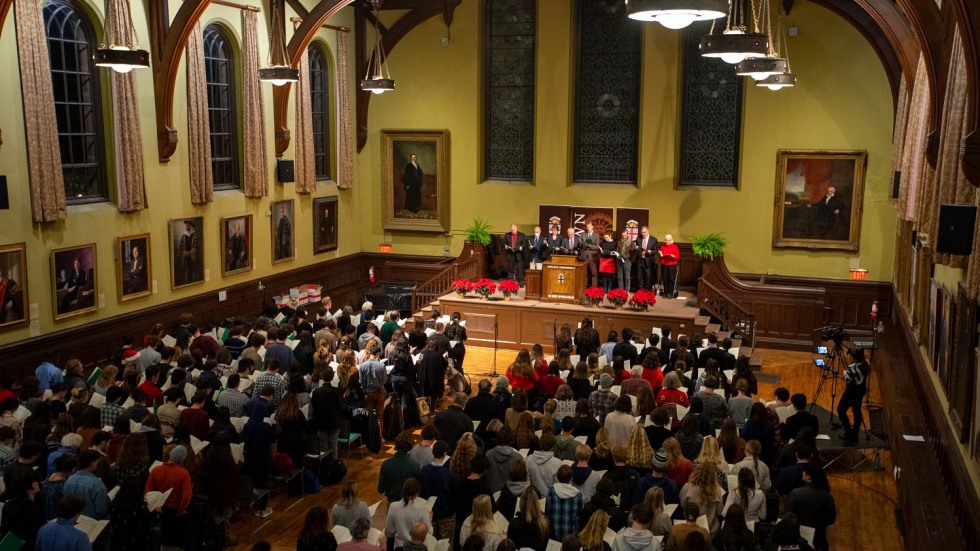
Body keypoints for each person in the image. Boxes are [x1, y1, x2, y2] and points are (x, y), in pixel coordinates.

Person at [784, 463, 837, 551]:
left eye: (804, 471)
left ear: (808, 477)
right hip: (819, 539)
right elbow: (831, 519)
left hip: (799, 539)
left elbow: (787, 516)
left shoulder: (795, 494)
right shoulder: (827, 496)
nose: (802, 473)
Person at [0, 476, 46, 551]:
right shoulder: (35, 509)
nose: (37, 483)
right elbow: (40, 530)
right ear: (28, 490)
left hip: (10, 543)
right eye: (34, 483)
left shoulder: (8, 504)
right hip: (28, 545)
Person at [384, 478, 431, 549]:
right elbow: (428, 531)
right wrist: (430, 519)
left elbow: (390, 531)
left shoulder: (393, 506)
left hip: (398, 546)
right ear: (417, 493)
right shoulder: (422, 509)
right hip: (416, 547)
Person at [679, 462, 724, 535]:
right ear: (713, 476)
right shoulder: (717, 490)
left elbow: (683, 505)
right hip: (710, 529)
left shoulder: (687, 487)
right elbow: (719, 511)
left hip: (691, 527)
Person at [838, 347, 870, 442]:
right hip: (861, 391)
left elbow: (848, 380)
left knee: (840, 409)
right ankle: (855, 433)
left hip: (852, 392)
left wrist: (844, 374)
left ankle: (848, 432)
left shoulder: (853, 367)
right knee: (857, 412)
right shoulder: (866, 363)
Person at [378, 434, 422, 502]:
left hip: (392, 502)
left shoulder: (385, 464)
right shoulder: (415, 466)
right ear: (411, 446)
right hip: (408, 502)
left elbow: (380, 489)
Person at [546, 464, 584, 540]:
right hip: (570, 537)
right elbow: (578, 516)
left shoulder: (551, 491)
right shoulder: (578, 494)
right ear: (571, 478)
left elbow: (548, 513)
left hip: (553, 535)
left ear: (558, 478)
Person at [635, 226, 658, 292]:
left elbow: (655, 250)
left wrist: (651, 252)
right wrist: (635, 247)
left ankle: (647, 289)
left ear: (648, 231)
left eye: (644, 232)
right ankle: (641, 289)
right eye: (642, 232)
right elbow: (636, 246)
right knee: (640, 275)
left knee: (648, 275)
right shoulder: (639, 238)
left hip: (648, 260)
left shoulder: (653, 239)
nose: (643, 234)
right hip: (640, 259)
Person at [177, 220, 200, 286]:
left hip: (192, 256)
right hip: (186, 256)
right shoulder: (183, 236)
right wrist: (184, 252)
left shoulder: (194, 235)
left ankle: (194, 283)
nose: (187, 226)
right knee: (186, 270)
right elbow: (182, 247)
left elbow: (195, 246)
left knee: (193, 270)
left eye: (188, 225)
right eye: (186, 225)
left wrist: (190, 253)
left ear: (190, 226)